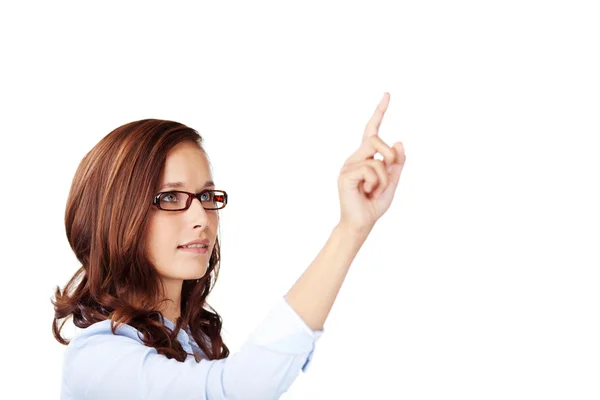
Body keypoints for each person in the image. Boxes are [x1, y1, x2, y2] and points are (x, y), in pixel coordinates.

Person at [52, 92, 406, 399]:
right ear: (116, 215)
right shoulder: (98, 360)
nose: (201, 217)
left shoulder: (197, 344)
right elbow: (235, 392)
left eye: (206, 195)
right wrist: (349, 230)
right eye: (171, 196)